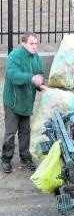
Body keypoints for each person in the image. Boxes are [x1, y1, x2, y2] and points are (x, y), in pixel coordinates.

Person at [1, 32, 46, 173]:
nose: (34, 46)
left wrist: (40, 85)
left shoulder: (35, 57)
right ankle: (6, 158)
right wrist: (31, 78)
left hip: (26, 102)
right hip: (13, 102)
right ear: (24, 43)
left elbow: (39, 74)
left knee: (25, 131)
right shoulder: (15, 56)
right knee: (10, 132)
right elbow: (12, 75)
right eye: (31, 44)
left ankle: (25, 157)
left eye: (36, 43)